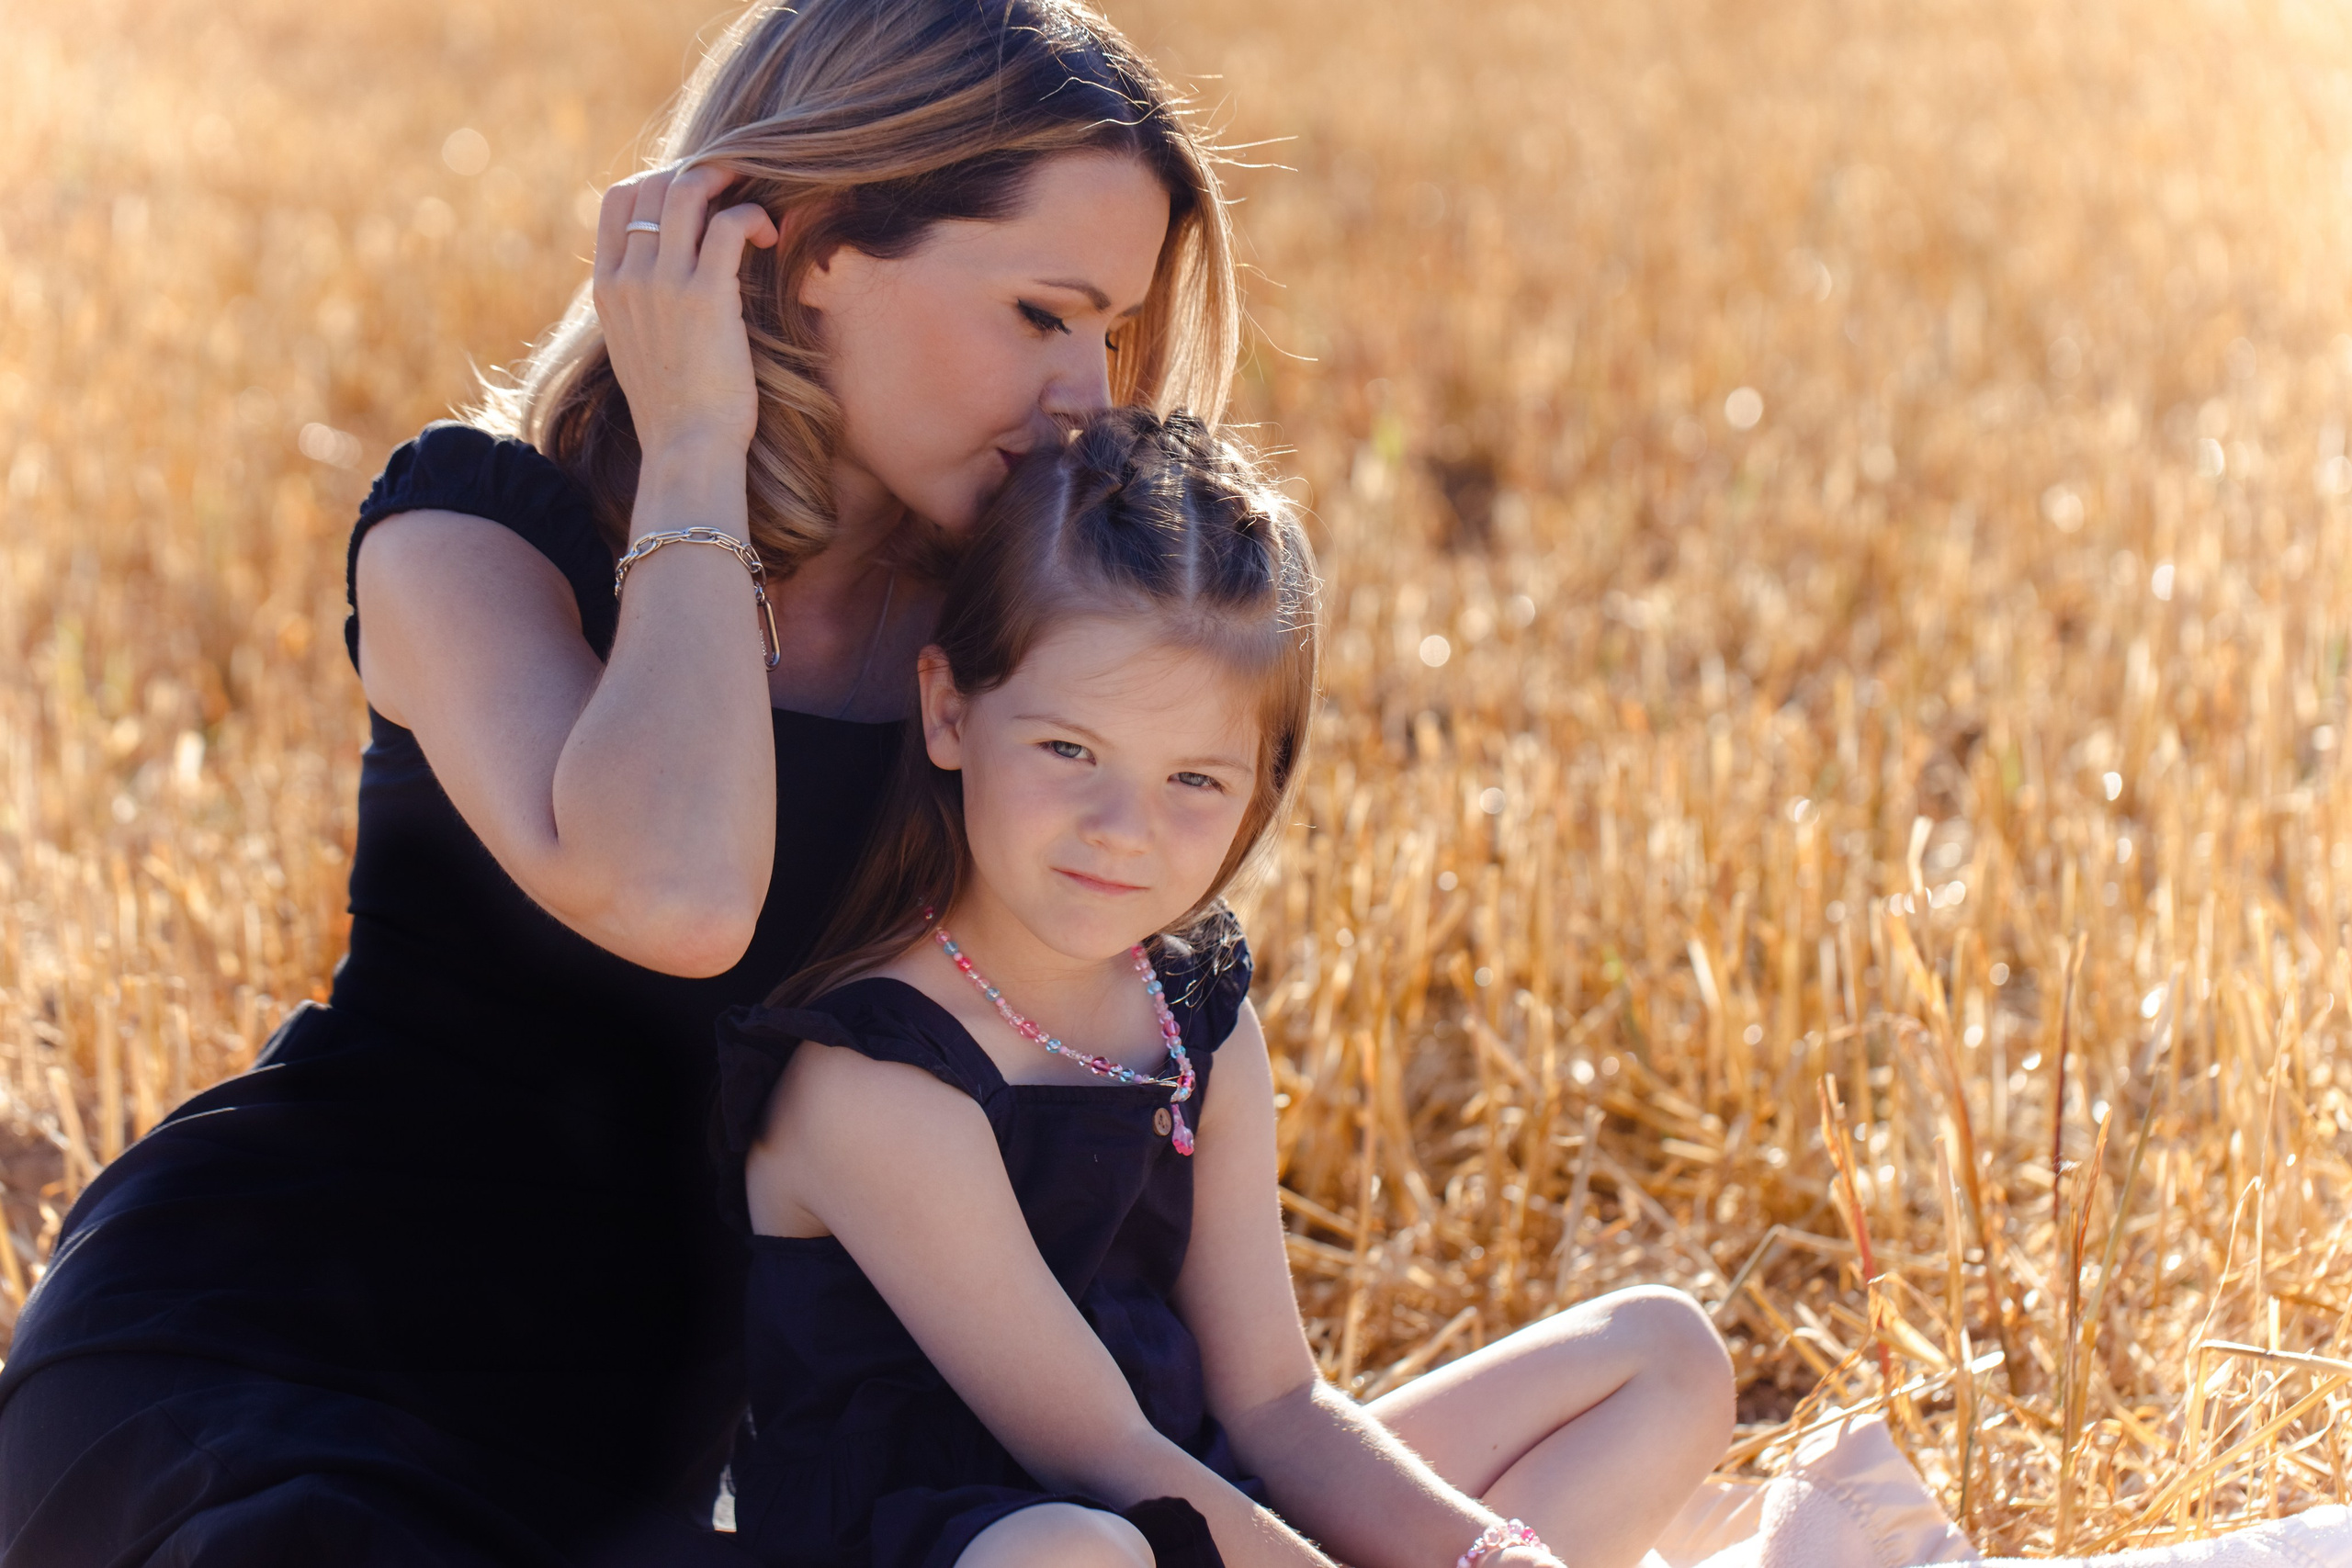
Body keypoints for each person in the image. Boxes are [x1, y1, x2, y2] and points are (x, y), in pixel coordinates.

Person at [0, 3, 1238, 1562]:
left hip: (629, 1485)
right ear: (807, 247)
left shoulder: (992, 664)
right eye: (1045, 313)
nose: (1089, 398)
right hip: (263, 1380)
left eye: (1112, 336)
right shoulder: (476, 540)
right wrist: (699, 439)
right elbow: (678, 891)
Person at [713, 409, 1736, 1568]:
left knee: (1663, 1353)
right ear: (950, 711)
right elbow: (1099, 1453)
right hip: (980, 1539)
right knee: (1073, 1553)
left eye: (1193, 779)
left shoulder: (1190, 1019)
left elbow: (1279, 1409)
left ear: (1258, 785)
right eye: (1068, 751)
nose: (1123, 829)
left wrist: (1494, 1558)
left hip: (1199, 1506)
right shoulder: (873, 1080)